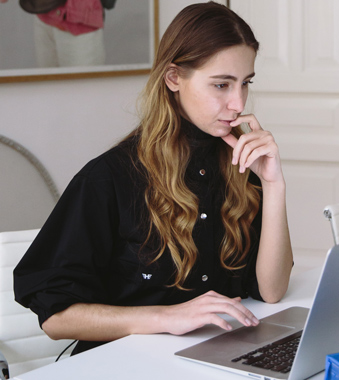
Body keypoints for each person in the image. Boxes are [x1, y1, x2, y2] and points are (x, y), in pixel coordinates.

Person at [13, 2, 293, 355]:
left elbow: (271, 290)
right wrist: (166, 318)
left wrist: (273, 184)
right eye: (221, 85)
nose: (238, 103)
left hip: (216, 356)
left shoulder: (240, 165)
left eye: (245, 83)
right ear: (174, 77)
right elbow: (56, 319)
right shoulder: (109, 177)